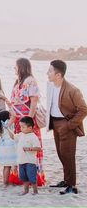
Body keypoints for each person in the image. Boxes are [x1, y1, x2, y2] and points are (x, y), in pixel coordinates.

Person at [46, 59, 87, 195]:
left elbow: (83, 109)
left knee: (68, 155)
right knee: (60, 153)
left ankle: (71, 185)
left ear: (58, 75)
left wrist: (69, 125)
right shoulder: (51, 86)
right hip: (55, 124)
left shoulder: (73, 90)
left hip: (67, 125)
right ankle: (66, 180)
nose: (47, 73)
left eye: (50, 71)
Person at [9, 58, 45, 185]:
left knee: (29, 146)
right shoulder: (17, 81)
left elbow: (34, 101)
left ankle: (33, 177)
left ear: (21, 67)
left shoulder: (30, 81)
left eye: (16, 66)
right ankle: (21, 176)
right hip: (18, 120)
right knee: (19, 147)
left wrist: (29, 120)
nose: (14, 68)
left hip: (27, 120)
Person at [15, 116, 42, 195]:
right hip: (21, 160)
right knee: (24, 177)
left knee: (32, 177)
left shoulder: (33, 137)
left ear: (30, 127)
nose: (21, 128)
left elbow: (38, 148)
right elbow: (13, 137)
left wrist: (29, 149)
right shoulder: (21, 134)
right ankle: (26, 190)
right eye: (20, 126)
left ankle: (35, 191)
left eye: (23, 127)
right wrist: (7, 129)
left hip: (30, 161)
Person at [0, 109, 17, 186]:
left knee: (6, 166)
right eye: (9, 115)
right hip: (10, 145)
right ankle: (8, 182)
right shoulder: (7, 123)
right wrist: (10, 105)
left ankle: (5, 182)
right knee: (11, 165)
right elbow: (14, 115)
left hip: (2, 146)